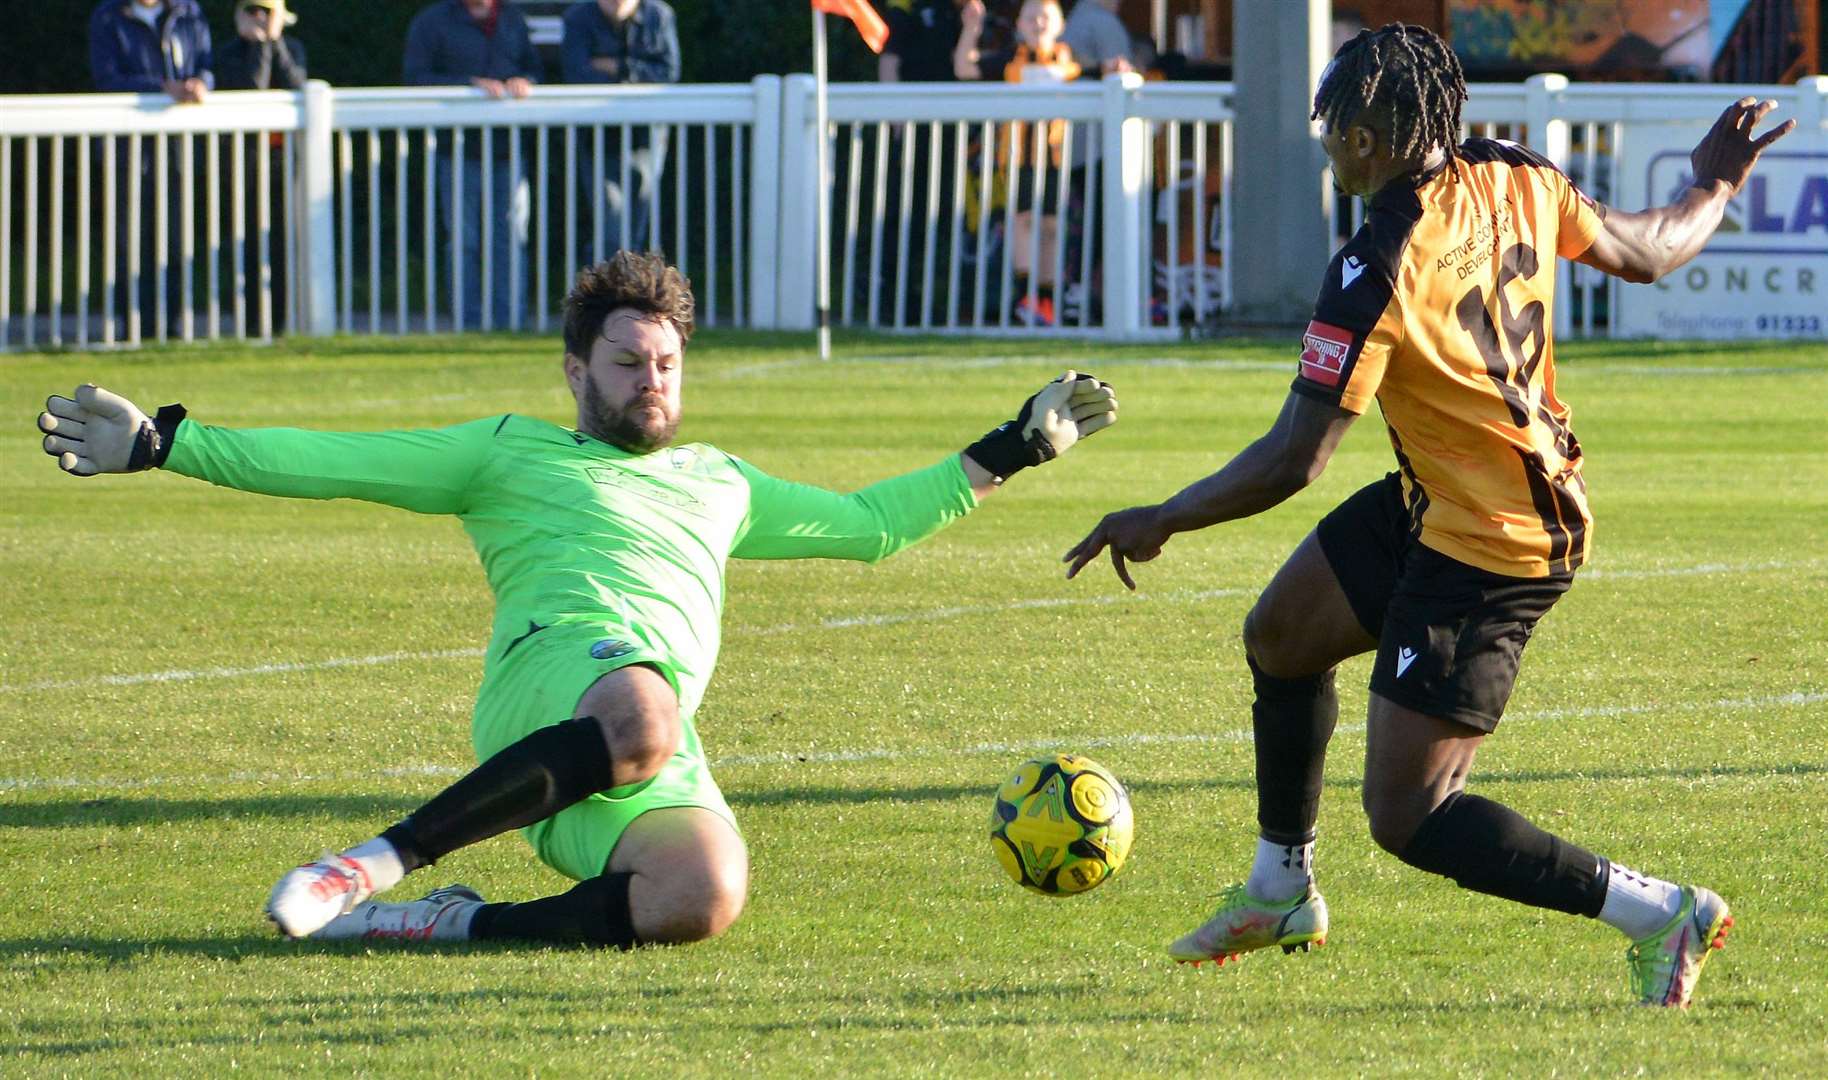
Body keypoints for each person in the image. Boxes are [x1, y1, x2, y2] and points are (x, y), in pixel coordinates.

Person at [36, 251, 1119, 950]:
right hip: (552, 685)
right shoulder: (507, 453)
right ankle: (363, 866)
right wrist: (168, 444)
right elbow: (337, 457)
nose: (651, 378)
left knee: (702, 893)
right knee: (643, 711)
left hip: (645, 738)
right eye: (625, 361)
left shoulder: (722, 483)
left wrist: (1014, 447)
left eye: (665, 363)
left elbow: (871, 525)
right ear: (574, 372)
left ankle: (442, 927)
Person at [1062, 24, 1792, 1007]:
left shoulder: (1375, 266)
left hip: (1496, 542)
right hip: (1441, 496)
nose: (1327, 145)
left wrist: (1163, 515)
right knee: (1279, 637)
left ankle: (1662, 912)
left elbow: (1295, 458)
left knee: (1407, 813)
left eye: (1338, 130)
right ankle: (1280, 889)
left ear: (1372, 139)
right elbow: (1646, 251)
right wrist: (1712, 185)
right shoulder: (1513, 172)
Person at [405, 0, 545, 330]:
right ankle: (465, 321)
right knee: (463, 239)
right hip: (457, 149)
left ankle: (511, 320)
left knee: (511, 237)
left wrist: (524, 82)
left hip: (507, 148)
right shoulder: (433, 21)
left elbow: (534, 69)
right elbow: (415, 77)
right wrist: (469, 85)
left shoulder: (512, 18)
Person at [89, 0, 214, 341]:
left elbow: (206, 64)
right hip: (127, 148)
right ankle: (130, 329)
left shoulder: (188, 13)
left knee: (175, 239)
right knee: (128, 242)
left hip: (176, 147)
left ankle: (172, 327)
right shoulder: (109, 16)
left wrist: (201, 83)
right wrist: (161, 87)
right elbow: (107, 78)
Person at [954, 0, 1081, 327]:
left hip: (1057, 158)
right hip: (1017, 158)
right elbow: (965, 68)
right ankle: (1026, 297)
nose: (1038, 23)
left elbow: (1105, 75)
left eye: (1046, 16)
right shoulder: (1011, 58)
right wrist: (971, 29)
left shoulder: (1071, 61)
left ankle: (1048, 300)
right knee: (1023, 221)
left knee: (1052, 226)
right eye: (1031, 17)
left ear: (1060, 24)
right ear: (1021, 24)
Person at [560, 0, 681, 261]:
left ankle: (629, 295)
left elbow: (668, 73)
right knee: (611, 226)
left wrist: (617, 67)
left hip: (646, 137)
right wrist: (636, 74)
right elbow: (577, 74)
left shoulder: (659, 15)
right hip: (597, 139)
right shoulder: (578, 17)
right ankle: (605, 296)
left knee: (636, 230)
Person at [215, 0, 308, 337]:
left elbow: (296, 83)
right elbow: (252, 88)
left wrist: (273, 41)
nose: (258, 18)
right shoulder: (227, 52)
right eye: (251, 12)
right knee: (248, 243)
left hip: (281, 161)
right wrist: (259, 46)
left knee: (282, 244)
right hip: (242, 163)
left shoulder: (293, 47)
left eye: (266, 12)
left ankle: (280, 323)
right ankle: (251, 322)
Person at [881, 0, 964, 83]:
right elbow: (890, 58)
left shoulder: (957, 9)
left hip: (951, 88)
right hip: (913, 88)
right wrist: (893, 94)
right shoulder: (904, 9)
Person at [1059, 0, 1134, 77]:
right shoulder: (1105, 21)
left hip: (1072, 85)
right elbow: (1120, 75)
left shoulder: (1075, 16)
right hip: (1089, 86)